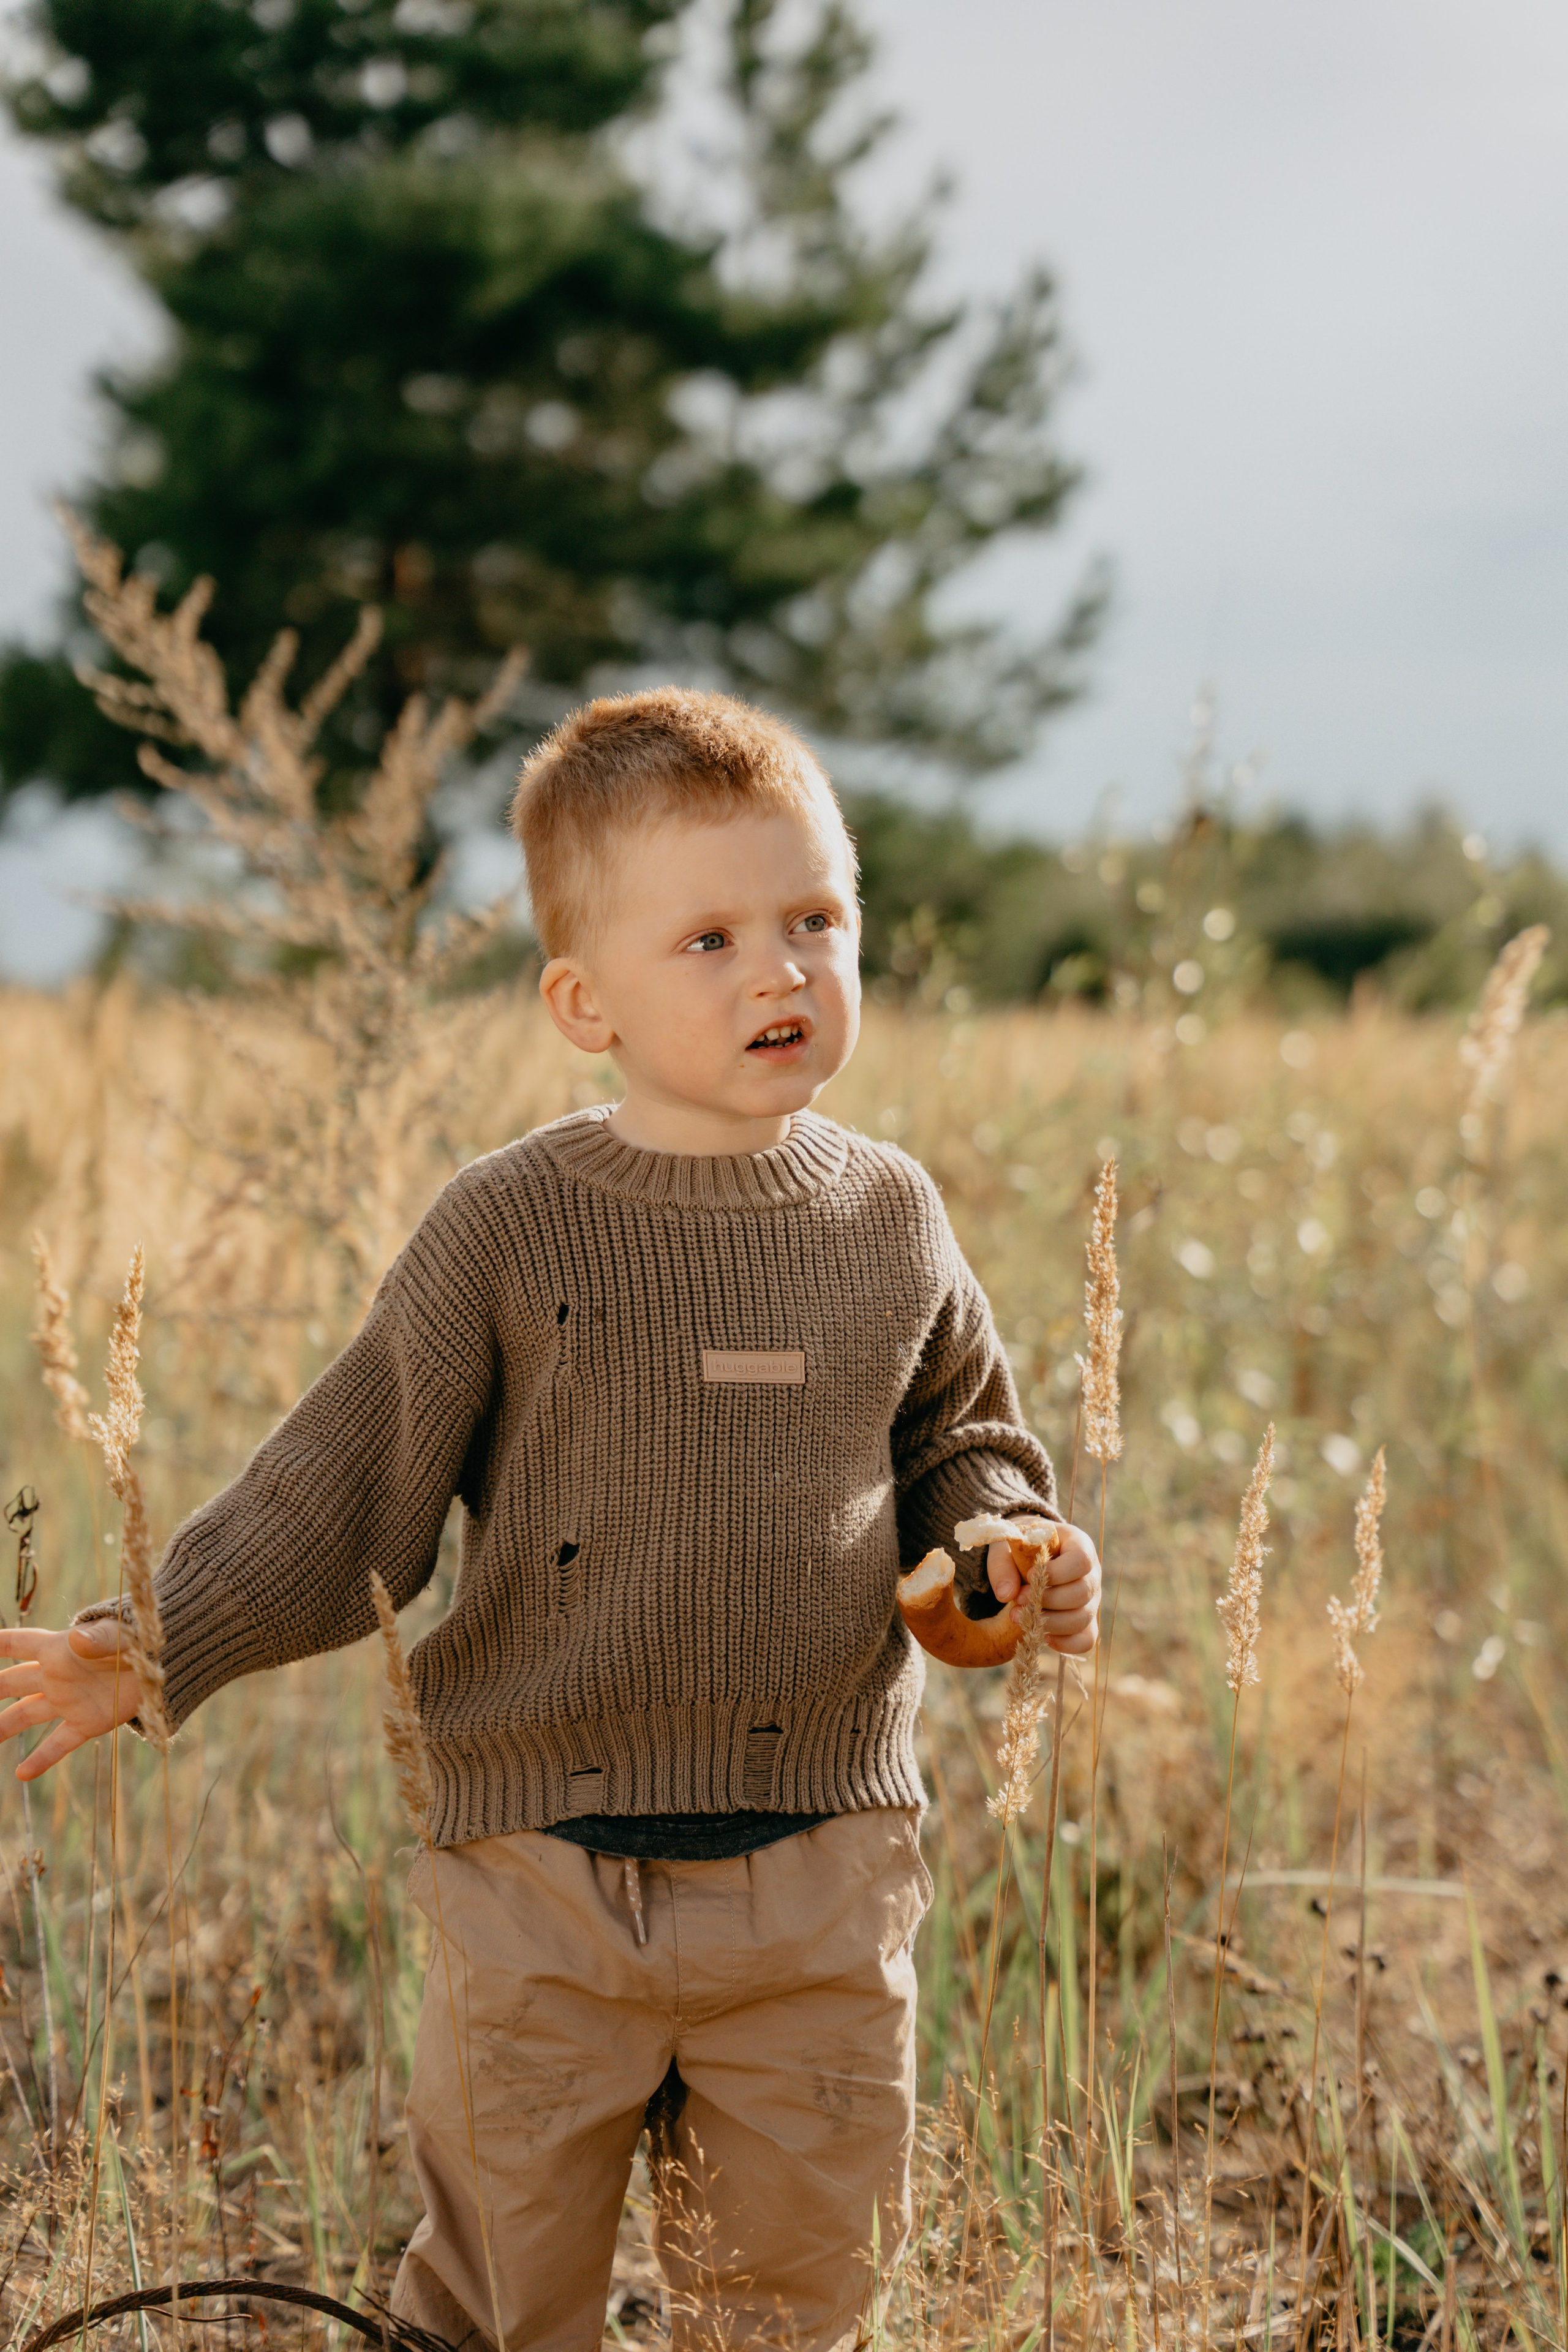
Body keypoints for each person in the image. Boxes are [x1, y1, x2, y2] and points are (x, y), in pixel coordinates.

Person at [0, 688, 1101, 2352]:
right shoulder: (507, 1227)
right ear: (583, 1001)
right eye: (712, 937)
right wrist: (142, 1647)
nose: (782, 971)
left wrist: (1002, 1560)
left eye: (818, 919)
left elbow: (963, 1446)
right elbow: (344, 1483)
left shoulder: (891, 1215)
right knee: (505, 2296)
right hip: (538, 1888)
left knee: (800, 2293)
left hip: (817, 1877)